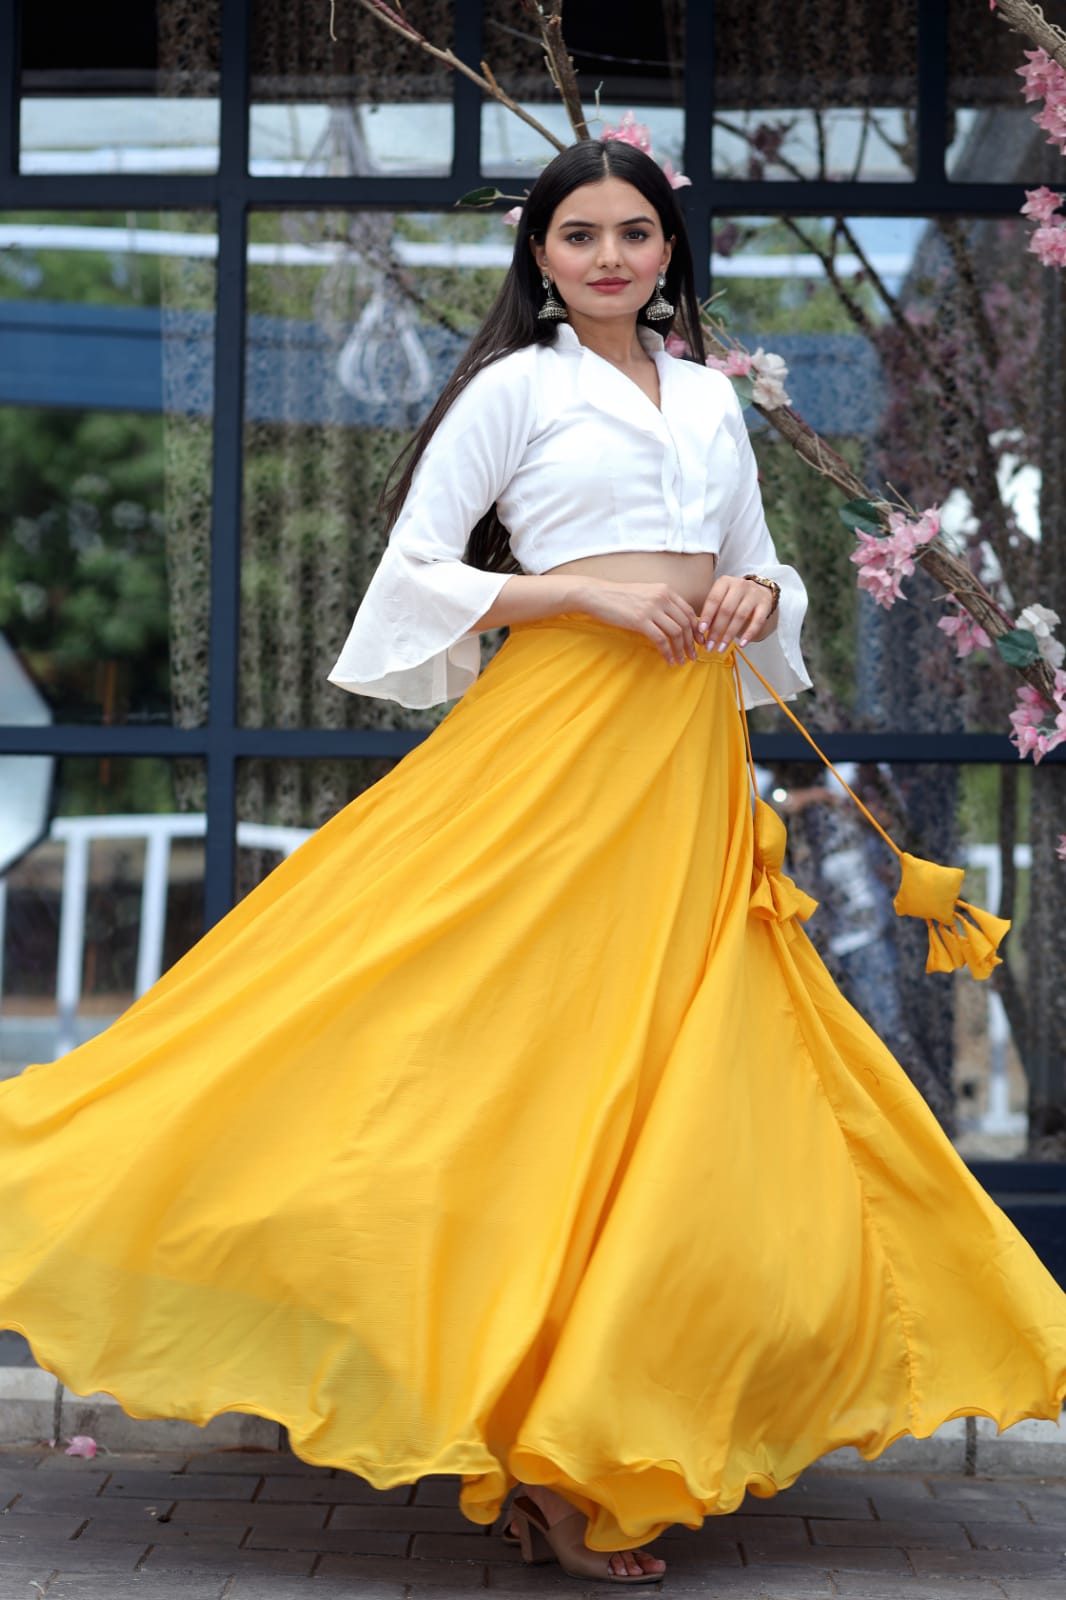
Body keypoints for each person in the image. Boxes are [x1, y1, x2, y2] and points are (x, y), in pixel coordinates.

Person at [1, 140, 1065, 1588]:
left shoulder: (708, 399)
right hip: (554, 733)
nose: (611, 256)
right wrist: (577, 596)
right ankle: (526, 1447)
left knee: (649, 1069)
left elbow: (755, 572)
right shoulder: (516, 389)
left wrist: (765, 589)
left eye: (635, 232)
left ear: (669, 250)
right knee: (504, 1031)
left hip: (683, 755)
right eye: (581, 235)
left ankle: (583, 1430)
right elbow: (417, 568)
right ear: (543, 258)